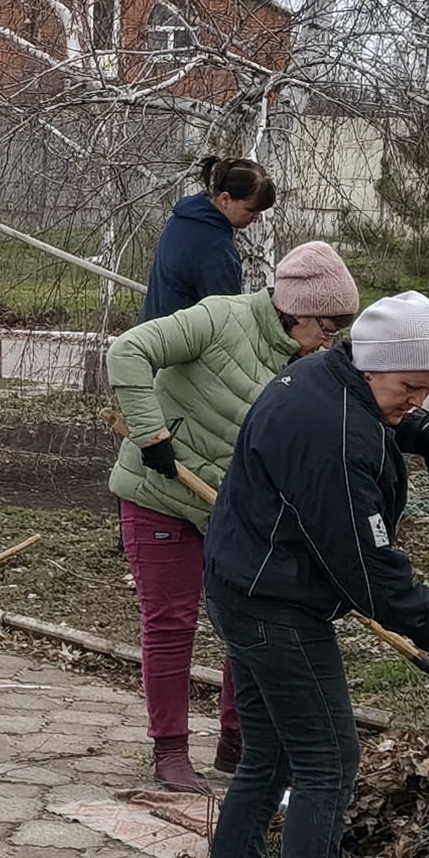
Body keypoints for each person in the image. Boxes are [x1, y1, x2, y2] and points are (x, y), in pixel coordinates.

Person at [202, 290, 429, 858]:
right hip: (276, 605)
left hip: (247, 584)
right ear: (374, 362)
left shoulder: (329, 378)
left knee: (268, 757)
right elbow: (365, 565)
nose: (415, 399)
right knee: (329, 759)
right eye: (409, 388)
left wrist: (411, 431)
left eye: (428, 392)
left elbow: (368, 417)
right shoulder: (335, 427)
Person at [105, 239, 364, 796]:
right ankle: (170, 751)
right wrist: (152, 435)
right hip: (161, 493)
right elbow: (127, 351)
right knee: (171, 623)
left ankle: (237, 741)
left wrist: (415, 430)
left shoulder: (306, 361)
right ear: (297, 310)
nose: (332, 338)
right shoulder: (219, 317)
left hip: (230, 512)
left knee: (243, 623)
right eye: (329, 324)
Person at [137, 155, 280, 321]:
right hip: (179, 343)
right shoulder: (215, 248)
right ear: (225, 199)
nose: (255, 218)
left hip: (148, 332)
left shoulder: (183, 218)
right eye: (251, 210)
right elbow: (227, 321)